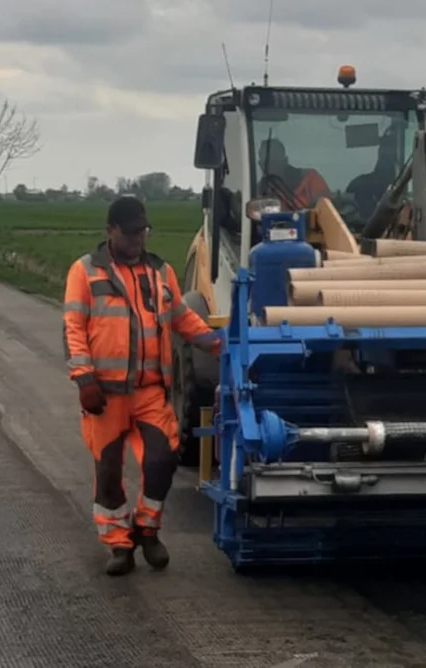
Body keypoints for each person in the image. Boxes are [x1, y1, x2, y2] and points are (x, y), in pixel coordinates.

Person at [62, 196, 221, 576]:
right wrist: (84, 379)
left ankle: (147, 529)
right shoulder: (85, 272)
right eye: (131, 232)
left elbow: (183, 319)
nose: (138, 239)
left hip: (150, 391)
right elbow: (73, 329)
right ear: (111, 231)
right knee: (109, 471)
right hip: (105, 394)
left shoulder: (160, 272)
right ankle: (119, 545)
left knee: (162, 460)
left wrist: (220, 343)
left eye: (143, 231)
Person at [256, 138, 331, 210]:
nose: (269, 166)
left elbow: (326, 211)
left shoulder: (310, 178)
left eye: (274, 161)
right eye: (265, 163)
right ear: (260, 165)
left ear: (285, 161)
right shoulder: (257, 193)